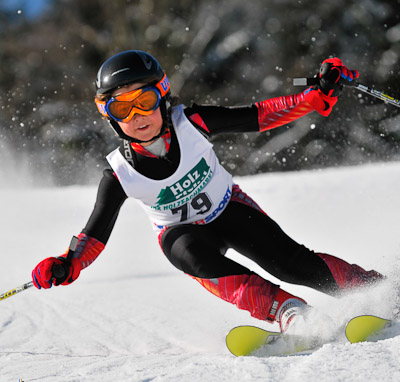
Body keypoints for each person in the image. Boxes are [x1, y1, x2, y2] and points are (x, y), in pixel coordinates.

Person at [31, 50, 384, 333]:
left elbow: (259, 115)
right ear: (110, 116)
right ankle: (291, 313)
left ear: (163, 97)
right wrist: (67, 264)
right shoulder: (119, 174)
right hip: (182, 235)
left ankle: (377, 291)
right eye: (122, 107)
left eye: (145, 100)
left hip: (229, 209)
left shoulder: (193, 123)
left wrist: (316, 96)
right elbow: (94, 234)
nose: (138, 115)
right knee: (189, 254)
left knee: (291, 264)